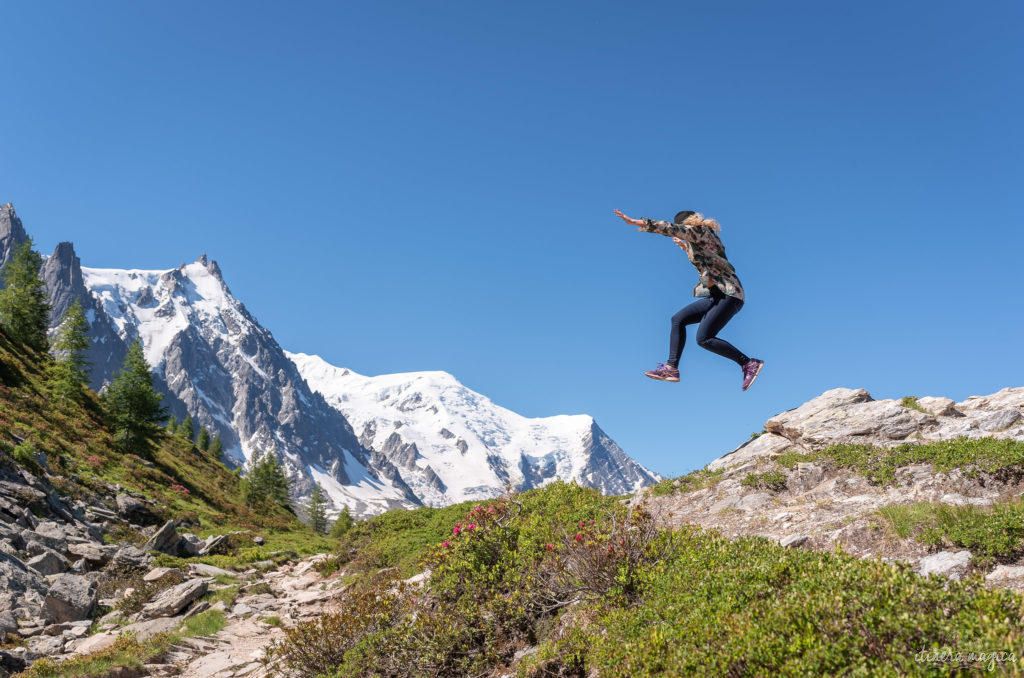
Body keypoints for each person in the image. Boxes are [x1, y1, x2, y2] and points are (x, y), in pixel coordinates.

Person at [613, 208, 764, 390]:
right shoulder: (701, 237)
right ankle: (671, 368)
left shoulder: (699, 230)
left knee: (704, 338)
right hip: (717, 296)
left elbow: (667, 228)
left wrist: (636, 222)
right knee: (678, 319)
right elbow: (708, 261)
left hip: (730, 295)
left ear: (685, 224)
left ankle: (748, 363)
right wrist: (686, 248)